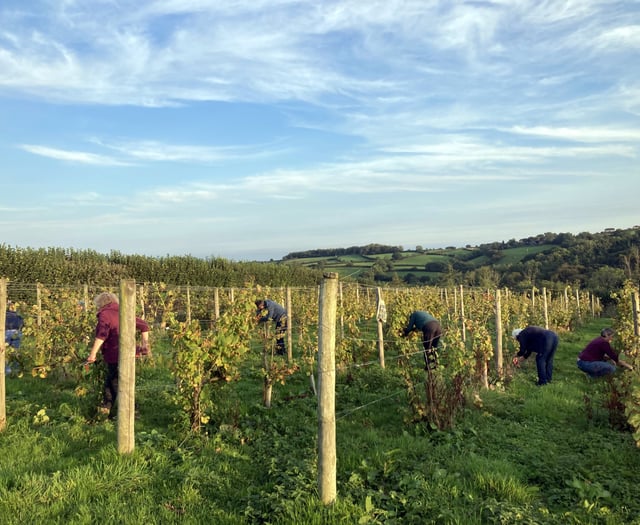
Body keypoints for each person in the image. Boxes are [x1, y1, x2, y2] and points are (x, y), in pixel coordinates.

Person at [85, 292, 150, 417]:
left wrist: (93, 354)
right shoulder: (124, 312)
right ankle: (109, 408)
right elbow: (144, 326)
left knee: (116, 382)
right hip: (130, 353)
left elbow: (102, 335)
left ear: (100, 303)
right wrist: (145, 345)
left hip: (114, 354)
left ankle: (129, 410)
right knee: (116, 380)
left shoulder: (105, 314)